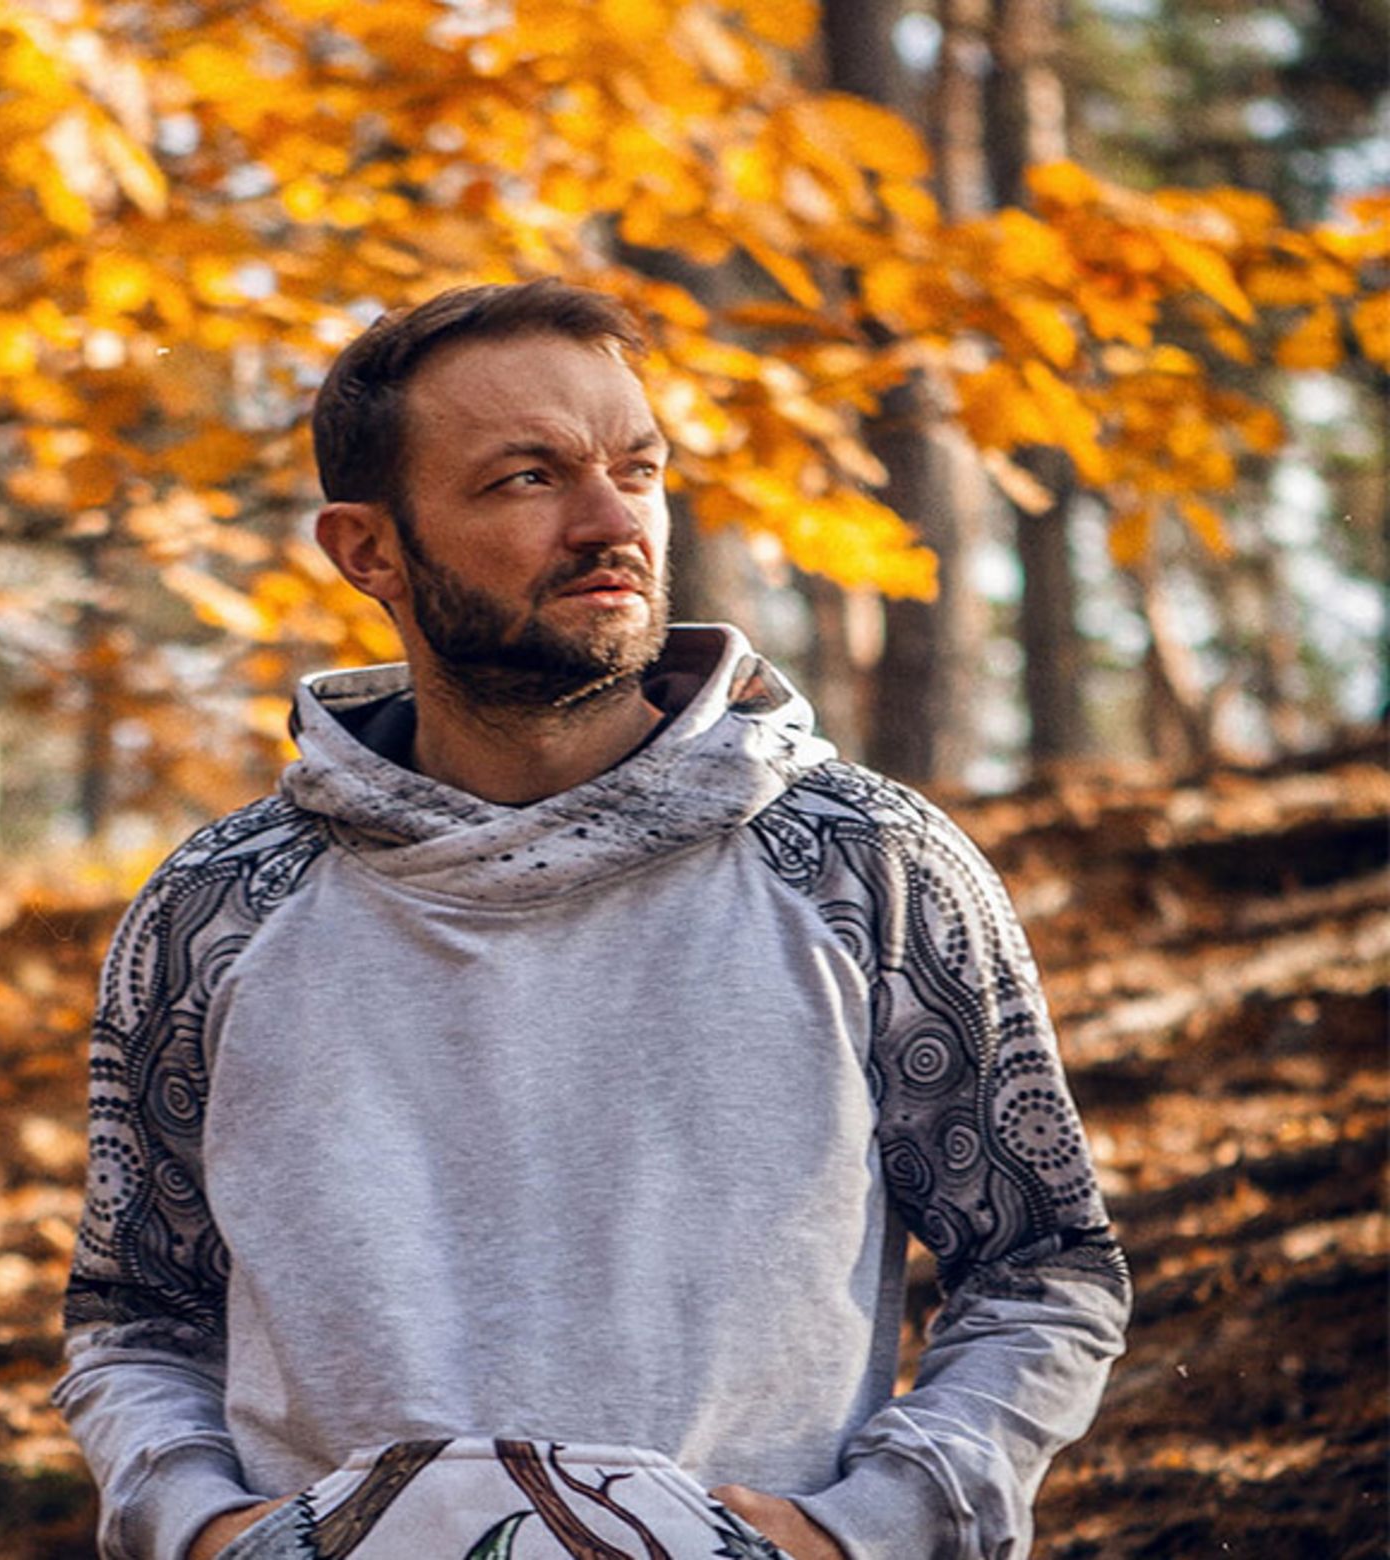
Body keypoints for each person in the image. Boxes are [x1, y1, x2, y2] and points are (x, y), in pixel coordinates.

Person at [55, 280, 1130, 1560]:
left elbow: (1040, 1270)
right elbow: (140, 1312)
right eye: (528, 478)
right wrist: (203, 1530)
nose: (613, 520)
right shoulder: (217, 909)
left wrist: (861, 1535)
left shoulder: (867, 866)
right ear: (369, 550)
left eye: (639, 467)